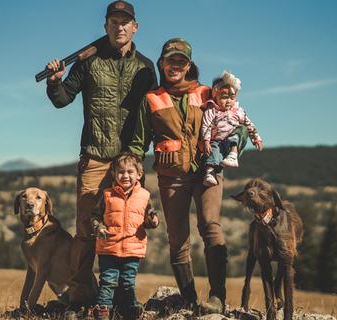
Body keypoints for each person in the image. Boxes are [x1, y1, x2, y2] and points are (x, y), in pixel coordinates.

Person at [45, 0, 157, 310]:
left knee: (127, 228)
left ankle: (120, 298)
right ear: (105, 26)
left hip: (130, 161)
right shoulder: (88, 62)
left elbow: (154, 113)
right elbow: (62, 98)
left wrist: (147, 152)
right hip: (94, 155)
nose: (119, 26)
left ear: (135, 27)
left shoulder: (146, 66)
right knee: (86, 230)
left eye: (125, 21)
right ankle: (81, 298)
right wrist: (55, 80)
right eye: (113, 21)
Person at [129, 38, 245, 314]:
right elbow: (138, 143)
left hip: (208, 171)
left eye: (181, 62)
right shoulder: (151, 99)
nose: (175, 66)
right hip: (171, 176)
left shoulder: (208, 93)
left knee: (210, 226)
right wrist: (134, 176)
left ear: (189, 66)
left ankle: (217, 297)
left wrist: (238, 144)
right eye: (170, 61)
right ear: (162, 63)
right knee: (177, 238)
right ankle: (190, 300)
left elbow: (236, 121)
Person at [91, 152, 159, 320]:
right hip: (109, 248)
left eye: (130, 172)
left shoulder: (144, 195)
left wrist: (153, 221)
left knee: (128, 283)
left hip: (132, 249)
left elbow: (150, 217)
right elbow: (95, 216)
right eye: (121, 172)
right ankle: (103, 313)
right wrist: (98, 228)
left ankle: (129, 313)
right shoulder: (107, 195)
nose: (125, 175)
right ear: (113, 174)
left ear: (139, 174)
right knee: (108, 282)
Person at [201, 70, 263, 187]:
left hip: (232, 141)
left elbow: (249, 124)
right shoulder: (212, 110)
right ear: (215, 96)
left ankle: (233, 155)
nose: (229, 101)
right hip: (218, 140)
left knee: (241, 129)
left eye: (232, 97)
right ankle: (210, 173)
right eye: (224, 97)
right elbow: (206, 125)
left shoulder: (238, 111)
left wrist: (256, 138)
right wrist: (206, 140)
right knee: (214, 151)